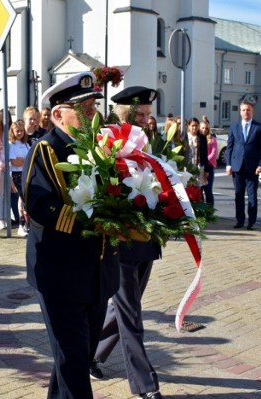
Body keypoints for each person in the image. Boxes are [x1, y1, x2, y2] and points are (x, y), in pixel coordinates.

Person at [23, 71, 119, 398]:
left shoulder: (101, 147)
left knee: (75, 357)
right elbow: (39, 206)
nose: (92, 113)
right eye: (83, 108)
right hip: (61, 274)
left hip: (97, 273)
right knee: (74, 363)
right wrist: (92, 221)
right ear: (57, 114)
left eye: (93, 107)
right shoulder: (48, 150)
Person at [91, 86, 164, 399]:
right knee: (131, 314)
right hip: (119, 245)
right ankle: (145, 385)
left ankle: (90, 354)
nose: (148, 120)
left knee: (123, 310)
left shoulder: (149, 145)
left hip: (145, 241)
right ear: (124, 114)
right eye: (142, 115)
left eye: (149, 114)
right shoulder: (106, 142)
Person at [225, 99, 261, 230]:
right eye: (243, 110)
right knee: (238, 195)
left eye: (248, 110)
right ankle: (240, 220)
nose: (245, 112)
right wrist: (228, 164)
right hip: (237, 166)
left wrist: (260, 164)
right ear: (240, 112)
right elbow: (229, 147)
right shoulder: (234, 127)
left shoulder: (259, 127)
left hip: (252, 167)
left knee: (252, 196)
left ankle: (251, 221)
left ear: (252, 111)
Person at [0, 109, 14, 229]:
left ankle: (6, 217)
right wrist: (1, 163)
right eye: (4, 117)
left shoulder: (11, 131)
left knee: (8, 194)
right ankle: (0, 218)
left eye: (8, 117)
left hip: (10, 165)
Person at [8, 120, 30, 236]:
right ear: (13, 131)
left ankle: (26, 224)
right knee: (24, 199)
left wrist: (23, 160)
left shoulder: (26, 144)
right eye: (17, 131)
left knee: (23, 200)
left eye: (22, 130)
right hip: (18, 175)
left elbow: (30, 160)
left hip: (27, 173)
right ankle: (21, 225)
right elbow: (14, 162)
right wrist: (23, 161)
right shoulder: (11, 145)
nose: (20, 133)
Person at [186, 117, 210, 186]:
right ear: (189, 126)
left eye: (196, 126)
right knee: (188, 187)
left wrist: (206, 170)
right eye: (192, 126)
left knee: (197, 189)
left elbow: (205, 155)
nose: (194, 128)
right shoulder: (185, 137)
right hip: (188, 167)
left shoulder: (202, 138)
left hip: (198, 167)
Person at [200, 120, 217, 205]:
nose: (204, 130)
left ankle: (210, 210)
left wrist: (204, 160)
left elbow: (213, 154)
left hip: (209, 168)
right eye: (202, 128)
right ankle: (202, 211)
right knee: (199, 190)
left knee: (208, 190)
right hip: (199, 168)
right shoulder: (198, 139)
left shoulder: (212, 140)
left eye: (206, 128)